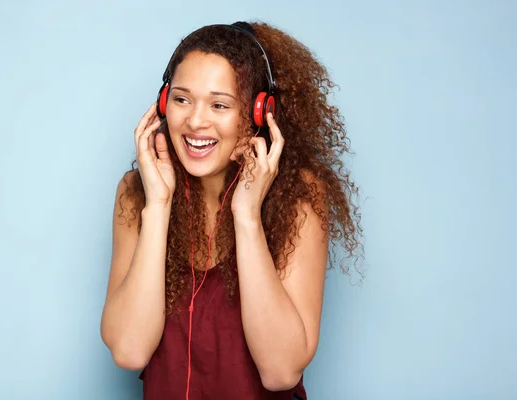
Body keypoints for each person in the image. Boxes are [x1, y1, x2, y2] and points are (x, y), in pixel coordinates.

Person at [100, 20, 363, 400]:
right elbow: (129, 350)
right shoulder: (136, 192)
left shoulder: (300, 197)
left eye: (219, 104)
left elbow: (280, 371)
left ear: (259, 114)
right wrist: (157, 206)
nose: (194, 121)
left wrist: (247, 215)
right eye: (181, 99)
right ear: (163, 103)